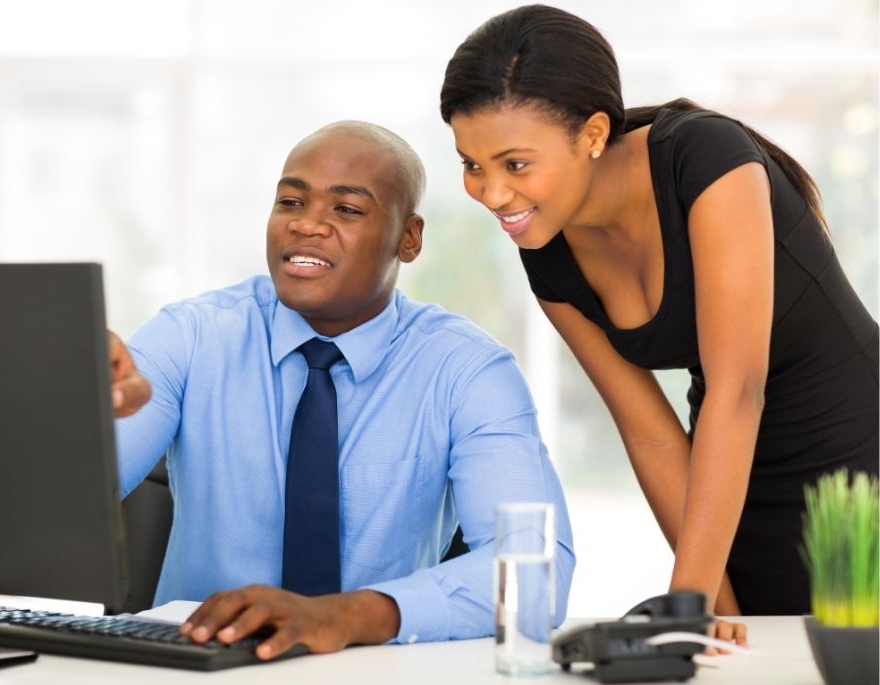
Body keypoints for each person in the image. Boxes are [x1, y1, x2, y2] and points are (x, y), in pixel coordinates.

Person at [439, 3, 878, 646]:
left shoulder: (705, 157)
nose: (493, 194)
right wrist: (706, 600)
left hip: (856, 457)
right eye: (471, 165)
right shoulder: (545, 245)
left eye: (516, 164)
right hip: (729, 481)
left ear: (593, 133)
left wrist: (686, 599)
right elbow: (649, 434)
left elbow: (739, 389)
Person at [108, 120, 575, 660]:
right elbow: (68, 494)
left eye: (347, 209)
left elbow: (534, 573)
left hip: (374, 668)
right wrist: (75, 400)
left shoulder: (466, 370)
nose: (307, 224)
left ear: (409, 238)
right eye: (290, 202)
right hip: (196, 665)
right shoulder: (190, 336)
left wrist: (348, 615)